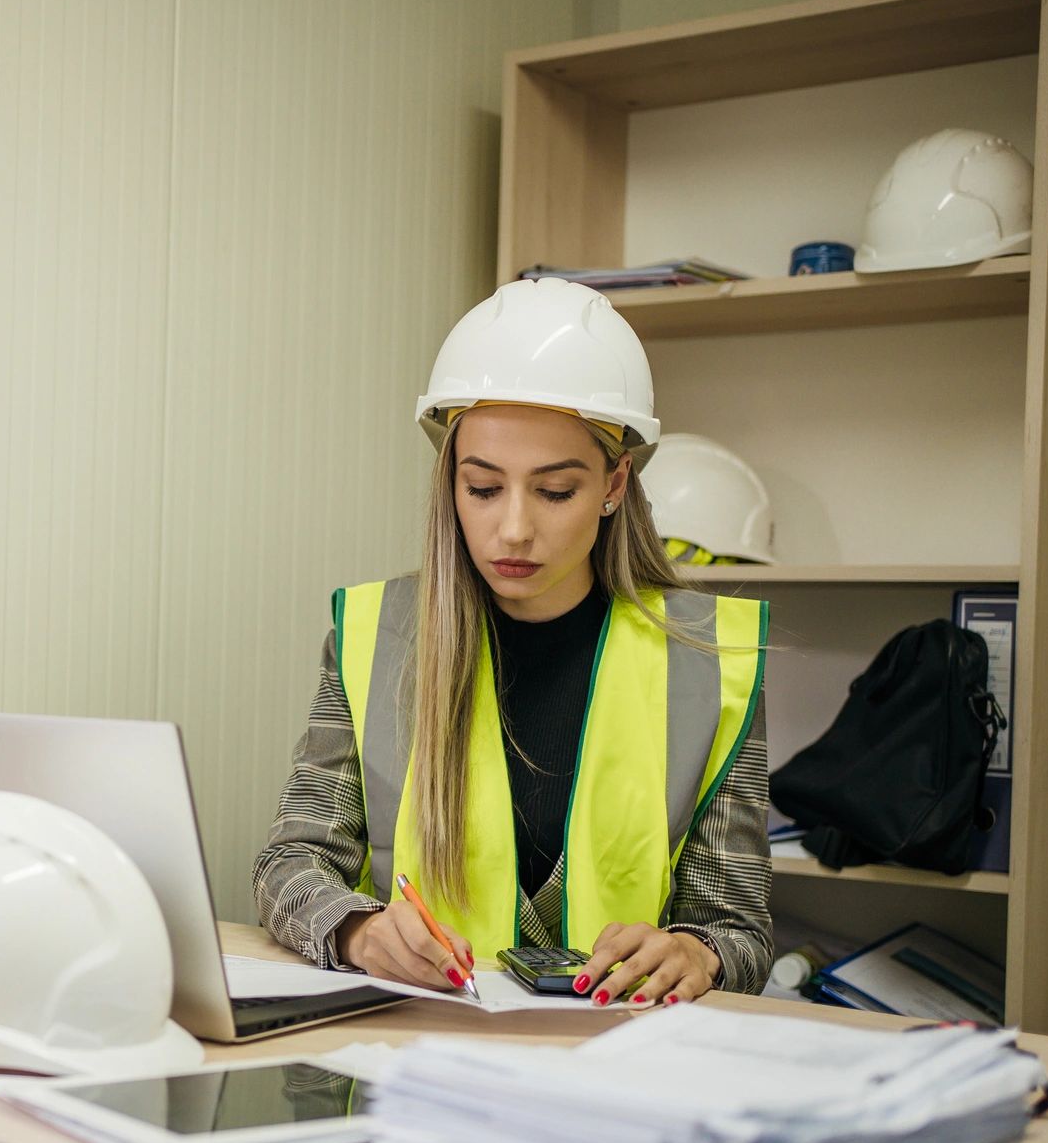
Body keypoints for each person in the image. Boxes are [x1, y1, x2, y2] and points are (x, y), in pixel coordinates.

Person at [253, 277, 772, 1007]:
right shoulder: (376, 636)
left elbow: (739, 930)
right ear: (451, 483)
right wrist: (357, 931)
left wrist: (696, 952)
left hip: (618, 1073)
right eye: (482, 488)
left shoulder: (708, 659)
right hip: (419, 1063)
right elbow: (290, 862)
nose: (513, 529)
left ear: (615, 484)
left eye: (555, 491)